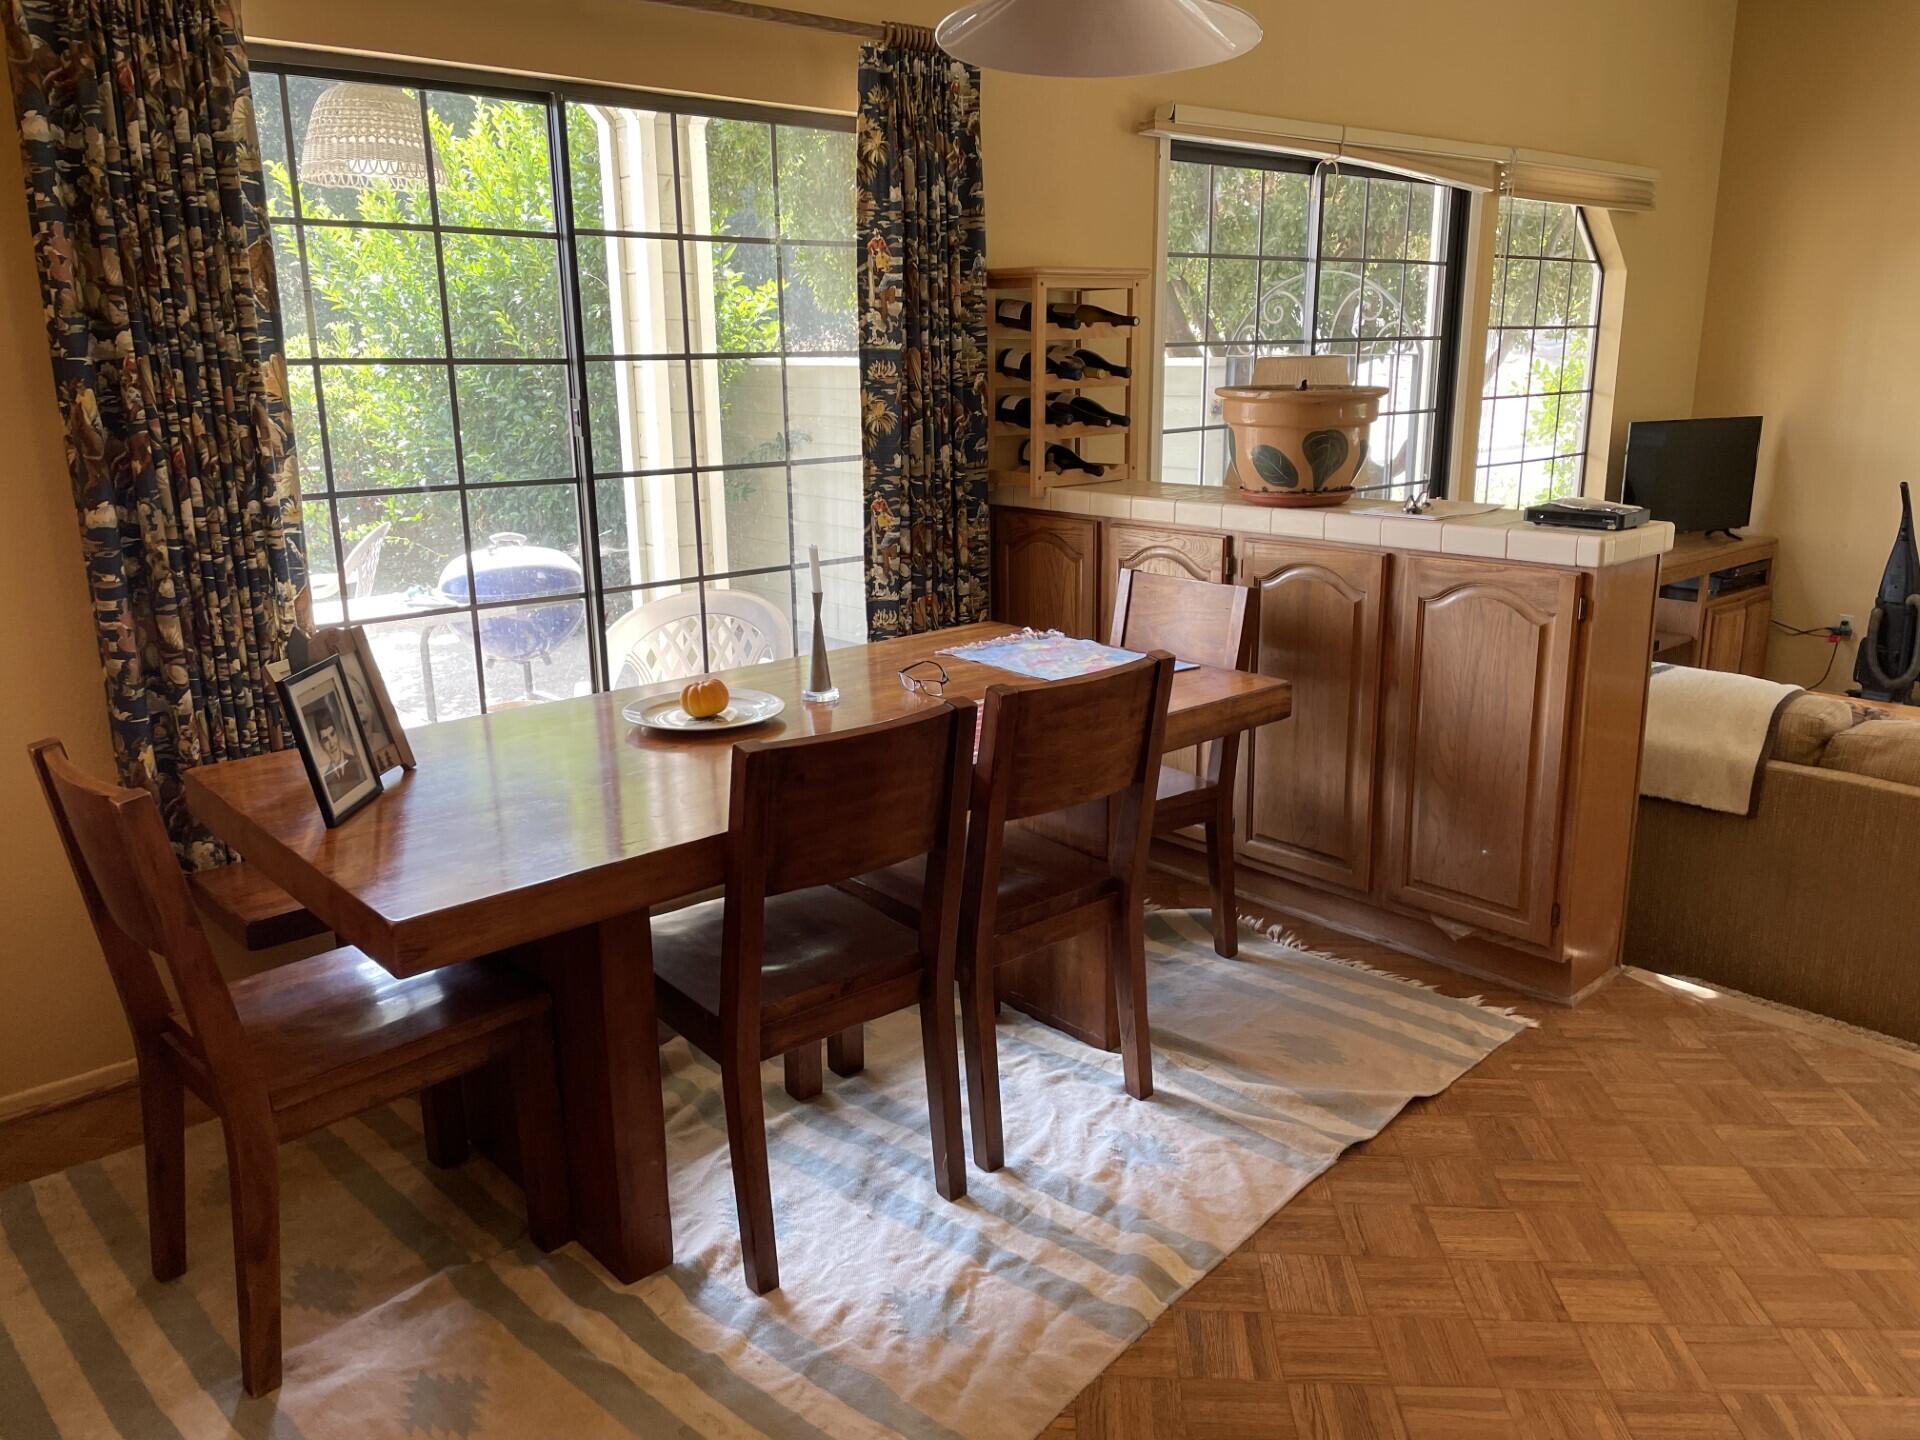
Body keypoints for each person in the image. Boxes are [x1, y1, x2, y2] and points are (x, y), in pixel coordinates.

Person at [309, 700, 366, 798]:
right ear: (321, 744)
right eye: (325, 739)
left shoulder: (359, 762)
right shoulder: (325, 778)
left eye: (332, 734)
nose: (332, 744)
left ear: (337, 734)